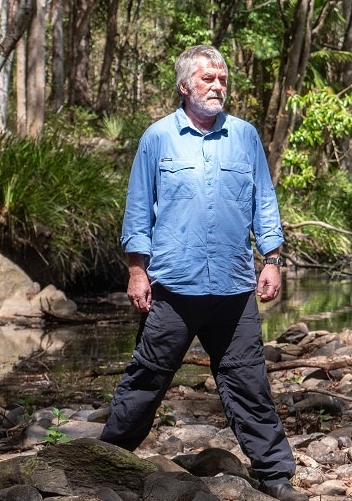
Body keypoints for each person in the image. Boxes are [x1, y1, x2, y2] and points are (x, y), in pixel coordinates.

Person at [99, 45, 307, 501]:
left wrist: (271, 259)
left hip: (234, 287)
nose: (217, 86)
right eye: (208, 79)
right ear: (184, 85)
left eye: (222, 80)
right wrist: (137, 271)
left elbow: (263, 201)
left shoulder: (245, 136)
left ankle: (275, 475)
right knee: (147, 377)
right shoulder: (157, 138)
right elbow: (138, 209)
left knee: (248, 381)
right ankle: (107, 461)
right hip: (173, 286)